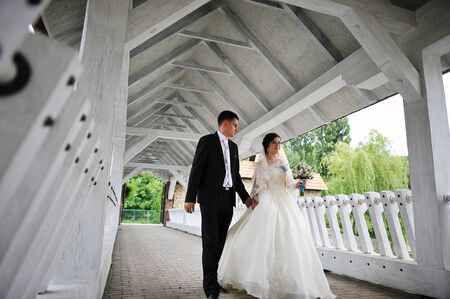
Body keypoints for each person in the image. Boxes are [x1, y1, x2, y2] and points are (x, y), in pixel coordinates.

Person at [218, 133, 335, 299]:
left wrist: (299, 184)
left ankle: (288, 282)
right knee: (260, 239)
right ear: (267, 145)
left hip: (283, 200)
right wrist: (253, 200)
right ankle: (258, 279)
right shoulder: (261, 164)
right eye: (274, 143)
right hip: (267, 199)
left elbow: (289, 184)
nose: (278, 146)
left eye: (279, 143)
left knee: (289, 239)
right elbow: (257, 186)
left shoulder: (283, 163)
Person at [185, 110, 256, 299]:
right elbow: (196, 170)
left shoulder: (233, 147)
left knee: (220, 243)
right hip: (209, 200)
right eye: (235, 125)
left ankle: (214, 280)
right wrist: (190, 198)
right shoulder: (206, 142)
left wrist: (246, 198)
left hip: (227, 201)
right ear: (225, 124)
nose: (236, 128)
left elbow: (236, 177)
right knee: (210, 242)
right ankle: (210, 288)